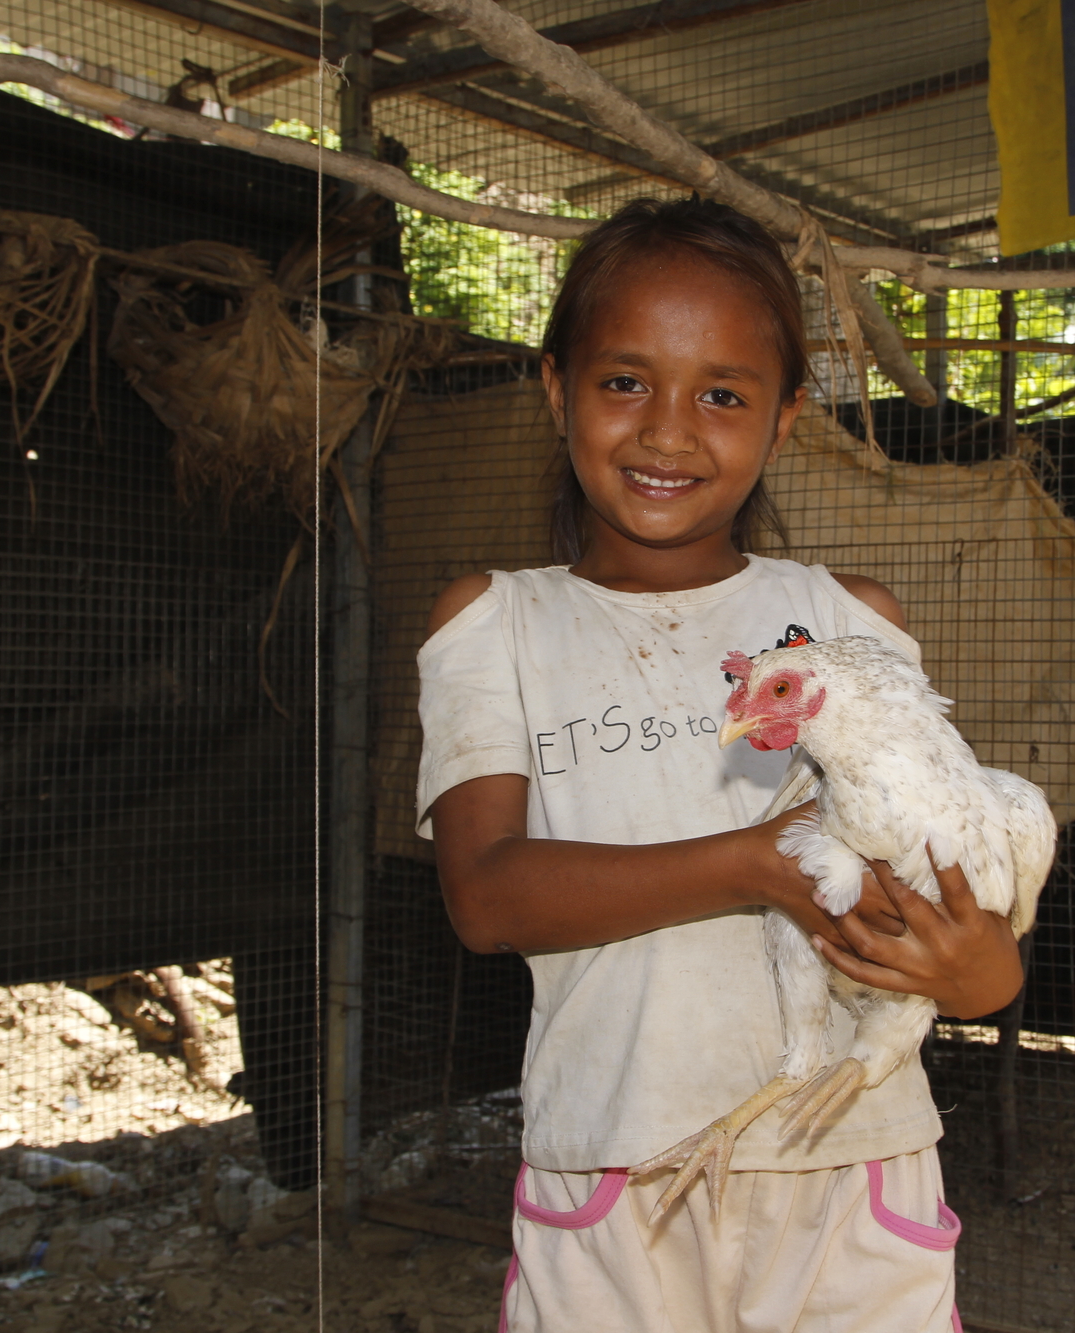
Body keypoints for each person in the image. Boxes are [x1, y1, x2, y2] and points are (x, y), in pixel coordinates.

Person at [416, 196, 1025, 1333]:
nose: (667, 431)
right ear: (554, 386)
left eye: (722, 395)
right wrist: (755, 864)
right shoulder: (494, 624)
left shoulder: (847, 625)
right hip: (616, 1174)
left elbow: (980, 971)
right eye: (623, 382)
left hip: (855, 1168)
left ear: (785, 418)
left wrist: (977, 965)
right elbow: (485, 894)